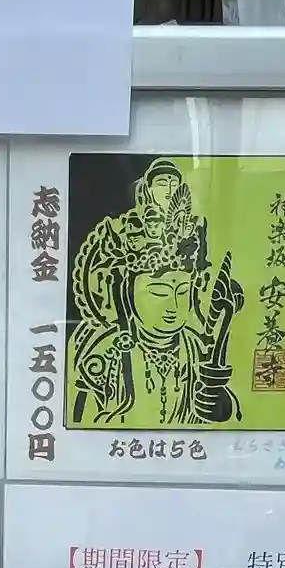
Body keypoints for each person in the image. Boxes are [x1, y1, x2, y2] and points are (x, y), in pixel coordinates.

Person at [67, 160, 244, 429]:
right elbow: (79, 423)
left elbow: (229, 418)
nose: (173, 304)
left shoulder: (197, 348)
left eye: (182, 291)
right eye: (159, 291)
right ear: (128, 291)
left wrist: (220, 405)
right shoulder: (105, 355)